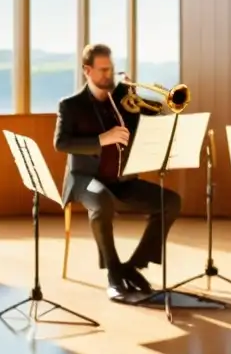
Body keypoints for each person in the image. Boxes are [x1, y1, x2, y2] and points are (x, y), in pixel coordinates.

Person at [53, 43, 182, 300]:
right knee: (100, 201)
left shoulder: (125, 98)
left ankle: (133, 267)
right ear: (87, 71)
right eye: (102, 70)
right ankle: (113, 271)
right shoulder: (70, 105)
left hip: (121, 179)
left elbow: (163, 115)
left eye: (110, 69)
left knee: (171, 201)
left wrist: (140, 96)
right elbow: (61, 143)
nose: (108, 75)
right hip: (85, 180)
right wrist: (103, 139)